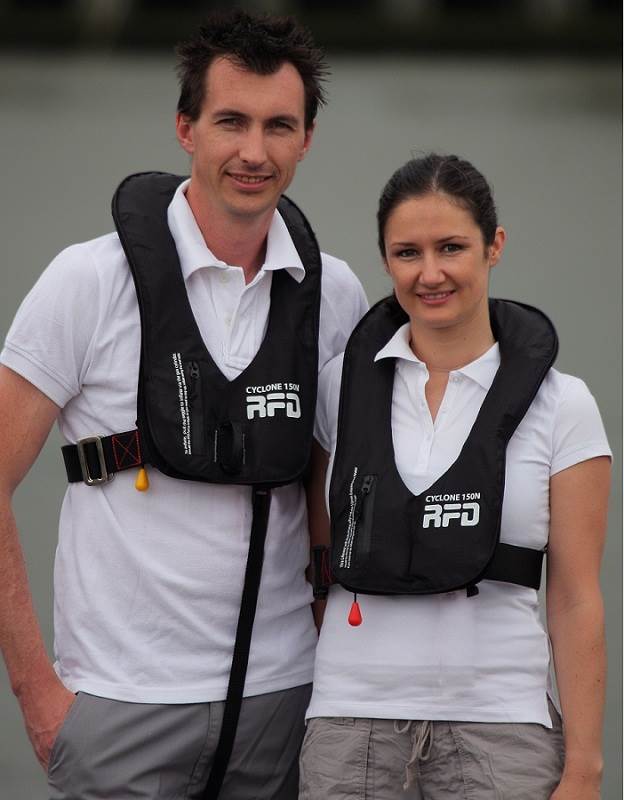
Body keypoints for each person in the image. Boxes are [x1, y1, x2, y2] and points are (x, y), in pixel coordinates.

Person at [0, 10, 367, 800]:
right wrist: (38, 696)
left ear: (307, 139)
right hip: (120, 703)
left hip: (288, 698)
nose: (254, 152)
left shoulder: (334, 294)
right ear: (185, 128)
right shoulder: (88, 282)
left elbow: (330, 484)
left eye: (279, 126)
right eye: (231, 121)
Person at [300, 154, 610, 800]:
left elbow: (576, 597)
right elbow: (319, 551)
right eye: (407, 253)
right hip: (350, 721)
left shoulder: (564, 404)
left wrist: (584, 769)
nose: (431, 273)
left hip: (501, 723)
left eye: (452, 248)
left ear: (494, 246)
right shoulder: (338, 389)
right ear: (385, 261)